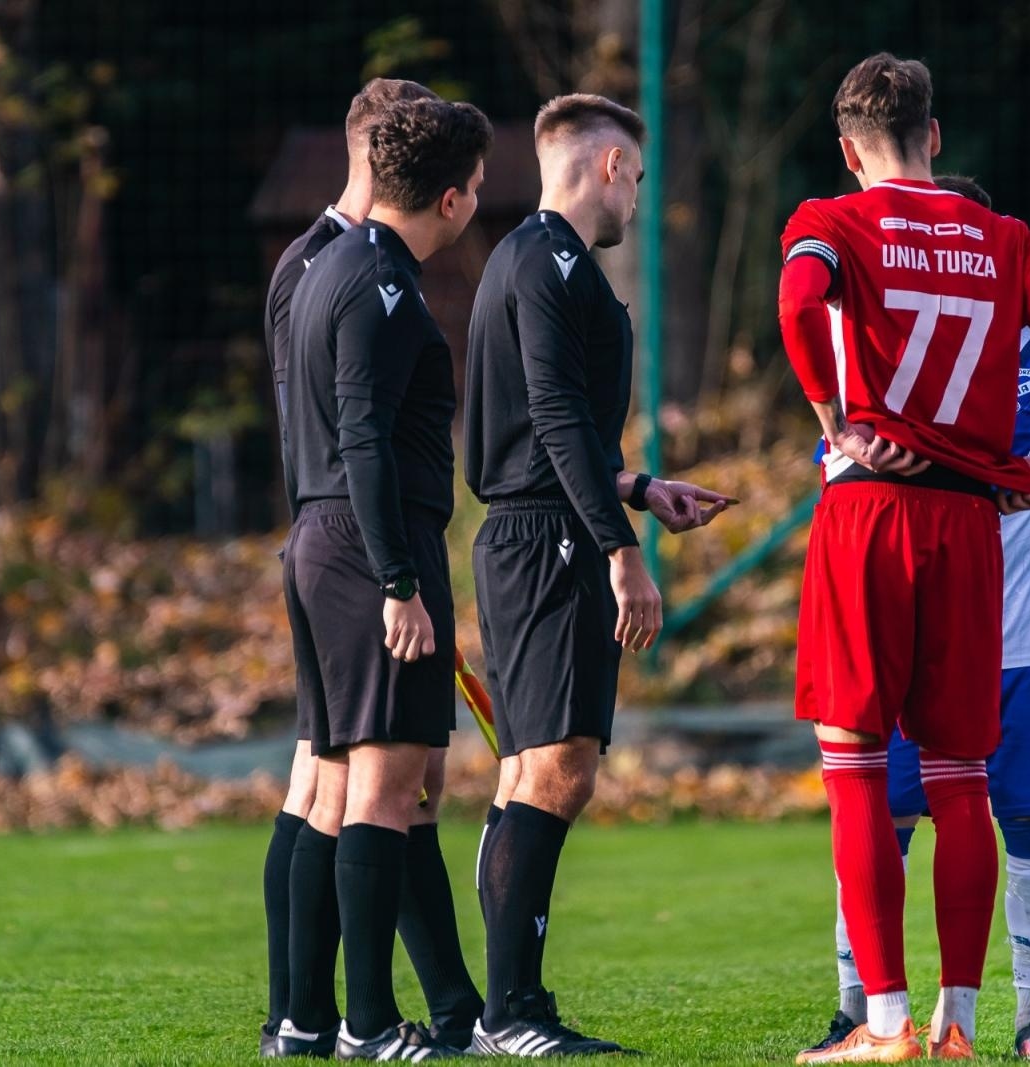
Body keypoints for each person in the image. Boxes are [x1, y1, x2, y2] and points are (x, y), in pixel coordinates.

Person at [778, 55, 1030, 1061]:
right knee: (962, 774)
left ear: (850, 152)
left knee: (853, 768)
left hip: (873, 507)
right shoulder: (1003, 237)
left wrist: (831, 415)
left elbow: (801, 304)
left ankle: (880, 1021)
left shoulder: (833, 219)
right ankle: (961, 1020)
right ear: (934, 136)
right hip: (971, 522)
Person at [464, 92, 731, 1057]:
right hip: (550, 545)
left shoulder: (537, 259)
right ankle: (513, 1012)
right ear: (610, 166)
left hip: (537, 530)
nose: (640, 202)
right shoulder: (546, 261)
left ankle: (507, 1007)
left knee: (530, 771)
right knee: (557, 770)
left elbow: (553, 426)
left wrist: (641, 485)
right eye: (641, 179)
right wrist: (622, 551)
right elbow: (551, 415)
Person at [258, 76, 484, 1059]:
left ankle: (308, 1020)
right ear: (454, 196)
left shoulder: (324, 266)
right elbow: (363, 434)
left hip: (323, 538)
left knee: (335, 788)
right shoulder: (380, 282)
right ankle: (365, 1022)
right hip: (362, 547)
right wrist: (398, 578)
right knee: (380, 797)